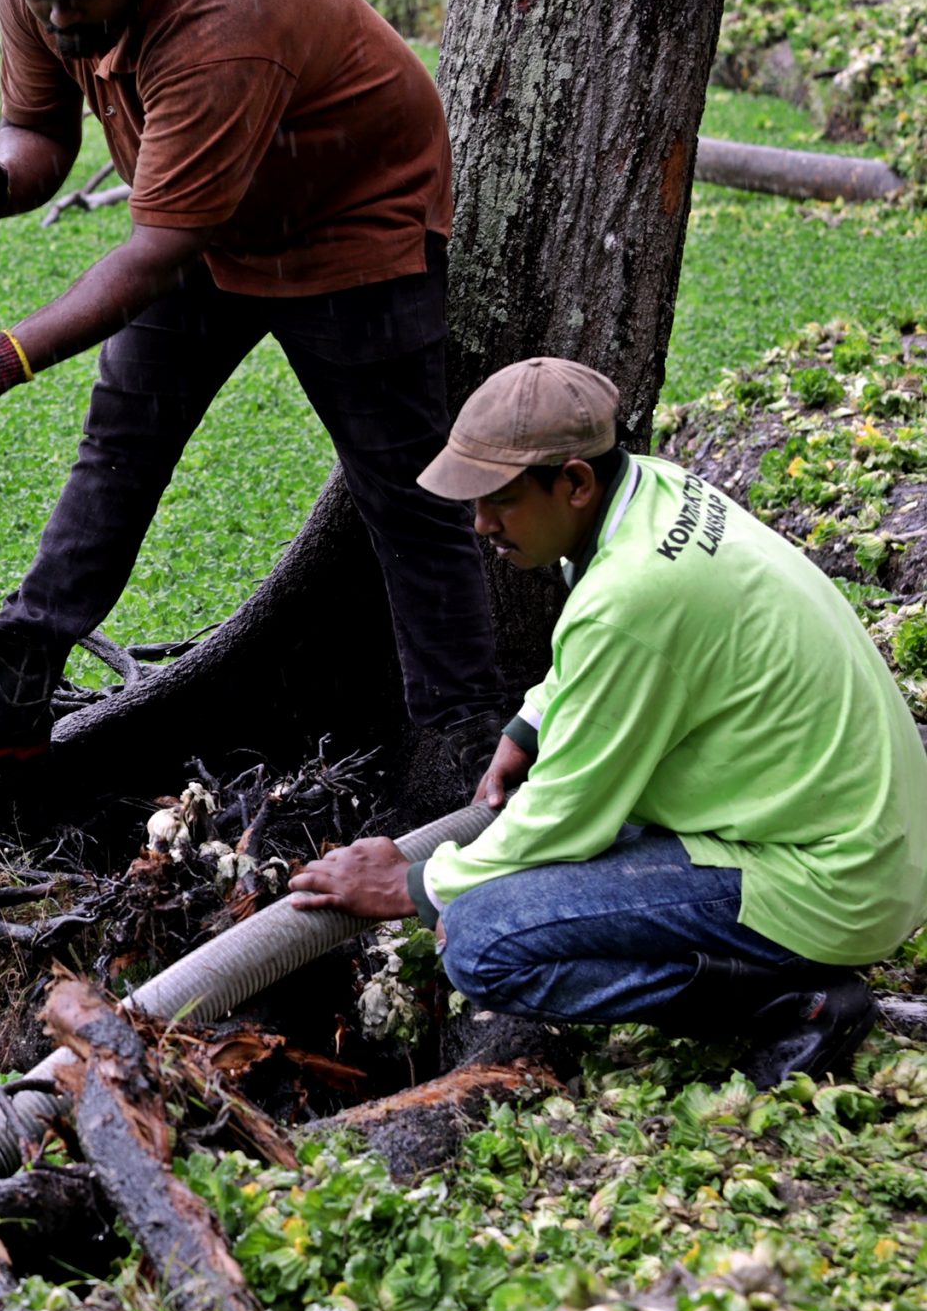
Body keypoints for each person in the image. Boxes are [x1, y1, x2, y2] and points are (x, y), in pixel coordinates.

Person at [0, 0, 508, 779]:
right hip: (213, 216)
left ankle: (461, 745)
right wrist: (1, 180)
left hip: (350, 219)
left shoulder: (220, 28)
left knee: (408, 498)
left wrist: (2, 359)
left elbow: (157, 249)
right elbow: (42, 132)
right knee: (121, 439)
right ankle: (12, 688)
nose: (60, 19)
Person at [288, 358, 927, 1086]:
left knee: (480, 941)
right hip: (867, 834)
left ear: (575, 482)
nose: (480, 524)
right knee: (518, 879)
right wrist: (529, 728)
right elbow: (602, 667)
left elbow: (565, 817)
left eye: (498, 499)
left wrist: (413, 884)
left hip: (835, 880)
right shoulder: (651, 494)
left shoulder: (633, 595)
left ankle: (793, 999)